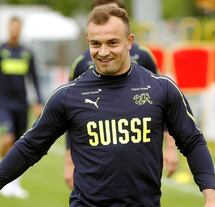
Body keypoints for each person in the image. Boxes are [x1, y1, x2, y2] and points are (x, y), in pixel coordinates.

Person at [0, 6, 215, 207]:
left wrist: (210, 196)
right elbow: (30, 146)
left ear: (130, 42)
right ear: (88, 43)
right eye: (95, 43)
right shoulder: (68, 96)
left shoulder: (161, 89)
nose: (103, 51)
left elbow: (192, 141)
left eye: (112, 43)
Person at [64, 0, 179, 189]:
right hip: (95, 159)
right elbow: (68, 115)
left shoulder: (144, 56)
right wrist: (69, 163)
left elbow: (164, 103)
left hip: (139, 161)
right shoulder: (81, 63)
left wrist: (170, 147)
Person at [0, 16, 43, 199]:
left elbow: (34, 78)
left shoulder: (27, 52)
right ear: (8, 29)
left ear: (20, 29)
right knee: (6, 140)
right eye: (12, 28)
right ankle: (1, 177)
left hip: (22, 104)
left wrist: (38, 101)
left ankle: (15, 185)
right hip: (4, 104)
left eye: (18, 28)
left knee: (19, 145)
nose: (15, 31)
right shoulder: (0, 51)